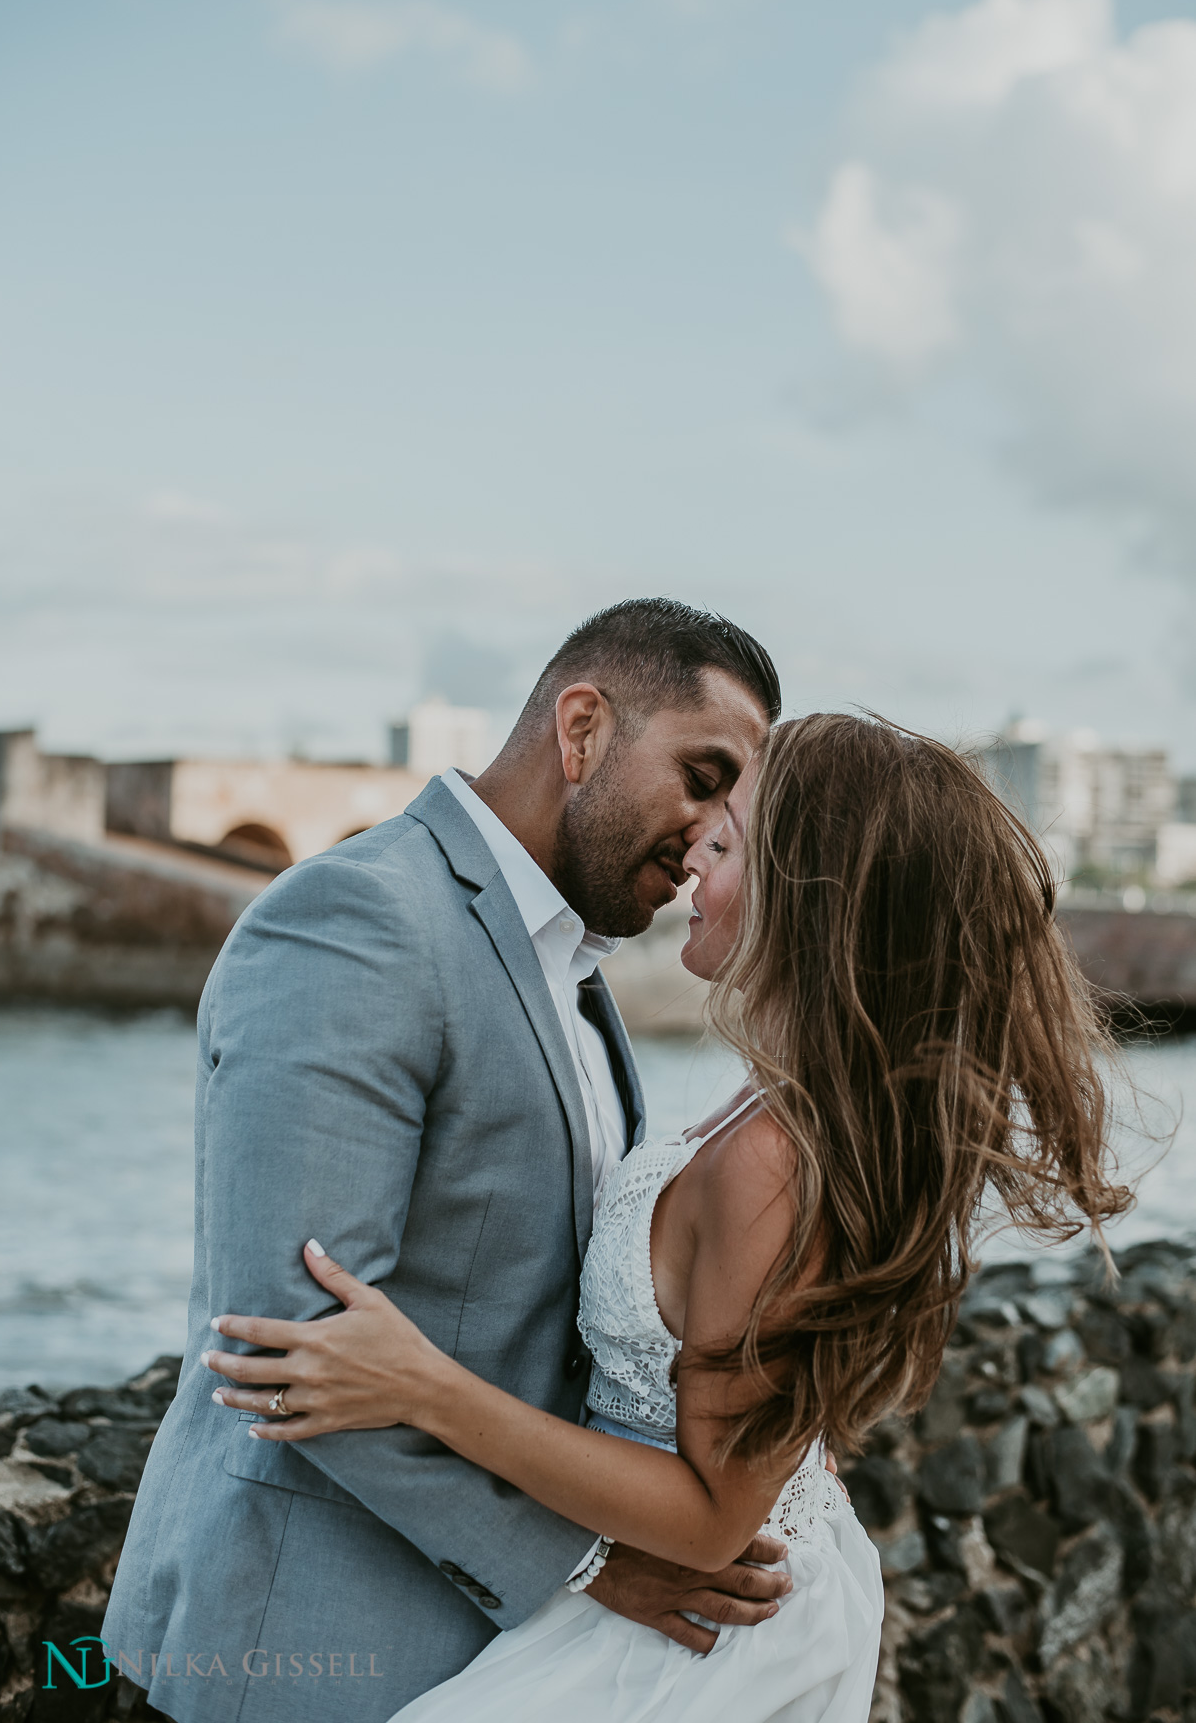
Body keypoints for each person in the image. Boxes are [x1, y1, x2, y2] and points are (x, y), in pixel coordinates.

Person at [205, 712, 1131, 1721]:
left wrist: (425, 1386)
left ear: (806, 903)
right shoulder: (769, 1102)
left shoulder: (774, 1156)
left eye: (725, 842)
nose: (693, 853)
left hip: (699, 1630)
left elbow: (706, 1525)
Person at [102, 598, 789, 1723]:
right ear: (581, 730)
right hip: (298, 1644)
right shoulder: (359, 921)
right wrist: (588, 1564)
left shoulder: (568, 964)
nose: (713, 830)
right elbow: (291, 1345)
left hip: (493, 1663)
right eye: (701, 775)